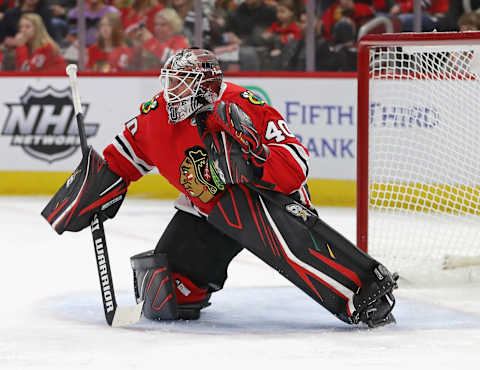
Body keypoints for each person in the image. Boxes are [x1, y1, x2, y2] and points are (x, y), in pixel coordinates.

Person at [41, 48, 398, 328]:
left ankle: (361, 287)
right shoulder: (154, 118)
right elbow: (119, 160)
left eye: (182, 84)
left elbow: (296, 166)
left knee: (239, 174)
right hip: (208, 208)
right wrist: (94, 187)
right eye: (170, 82)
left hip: (265, 200)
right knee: (169, 295)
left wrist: (253, 161)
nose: (171, 93)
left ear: (207, 87)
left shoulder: (245, 105)